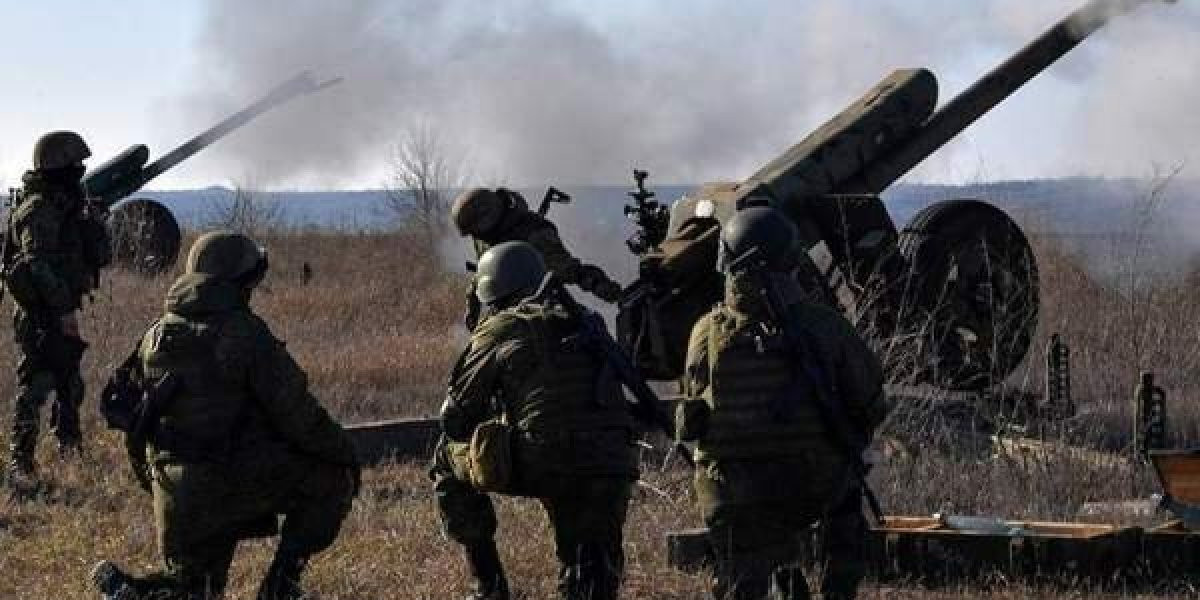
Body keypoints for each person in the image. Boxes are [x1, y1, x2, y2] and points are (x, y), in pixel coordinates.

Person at [90, 231, 360, 600]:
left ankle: (135, 593)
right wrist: (345, 453)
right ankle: (281, 589)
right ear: (239, 282)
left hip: (173, 492)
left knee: (195, 590)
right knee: (332, 479)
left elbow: (137, 428)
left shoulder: (154, 336)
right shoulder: (244, 333)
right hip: (230, 479)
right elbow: (299, 415)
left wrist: (158, 487)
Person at [676, 207, 889, 600]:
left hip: (734, 493)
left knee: (740, 568)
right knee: (845, 511)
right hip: (811, 484)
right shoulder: (824, 326)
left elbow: (693, 414)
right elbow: (871, 402)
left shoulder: (704, 332)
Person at [431, 241, 638, 600]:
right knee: (591, 564)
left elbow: (455, 417)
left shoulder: (501, 327)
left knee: (446, 459)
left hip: (549, 459)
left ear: (491, 291)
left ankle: (488, 587)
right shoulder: (585, 320)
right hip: (614, 459)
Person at [3, 131, 111, 481]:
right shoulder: (38, 210)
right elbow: (37, 263)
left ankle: (70, 447)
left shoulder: (65, 204)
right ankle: (21, 460)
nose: (79, 169)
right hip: (40, 313)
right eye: (74, 163)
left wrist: (92, 223)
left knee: (70, 383)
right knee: (36, 385)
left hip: (60, 307)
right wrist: (63, 311)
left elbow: (94, 253)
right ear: (56, 166)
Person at [450, 187, 621, 329]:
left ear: (488, 218)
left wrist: (599, 285)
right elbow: (484, 272)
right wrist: (473, 307)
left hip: (539, 308)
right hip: (504, 306)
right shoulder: (485, 236)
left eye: (476, 230)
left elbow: (568, 269)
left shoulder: (533, 233)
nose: (475, 235)